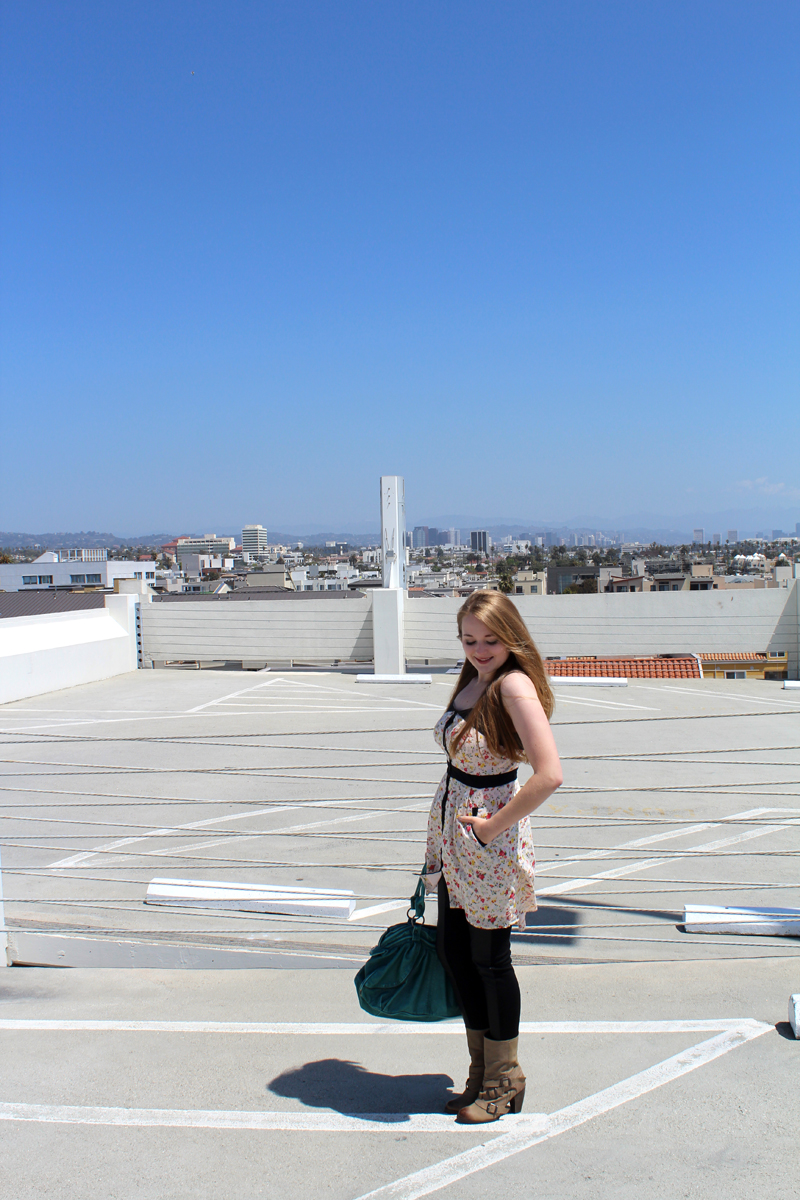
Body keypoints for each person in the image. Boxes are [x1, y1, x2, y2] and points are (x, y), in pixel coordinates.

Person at [423, 590, 562, 1123]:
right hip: (455, 838)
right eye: (469, 640)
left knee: (488, 960)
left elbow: (549, 773)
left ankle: (505, 1080)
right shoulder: (474, 680)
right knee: (456, 954)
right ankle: (480, 1073)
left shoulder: (514, 685)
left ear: (511, 636)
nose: (480, 649)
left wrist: (489, 829)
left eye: (490, 639)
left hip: (489, 841)